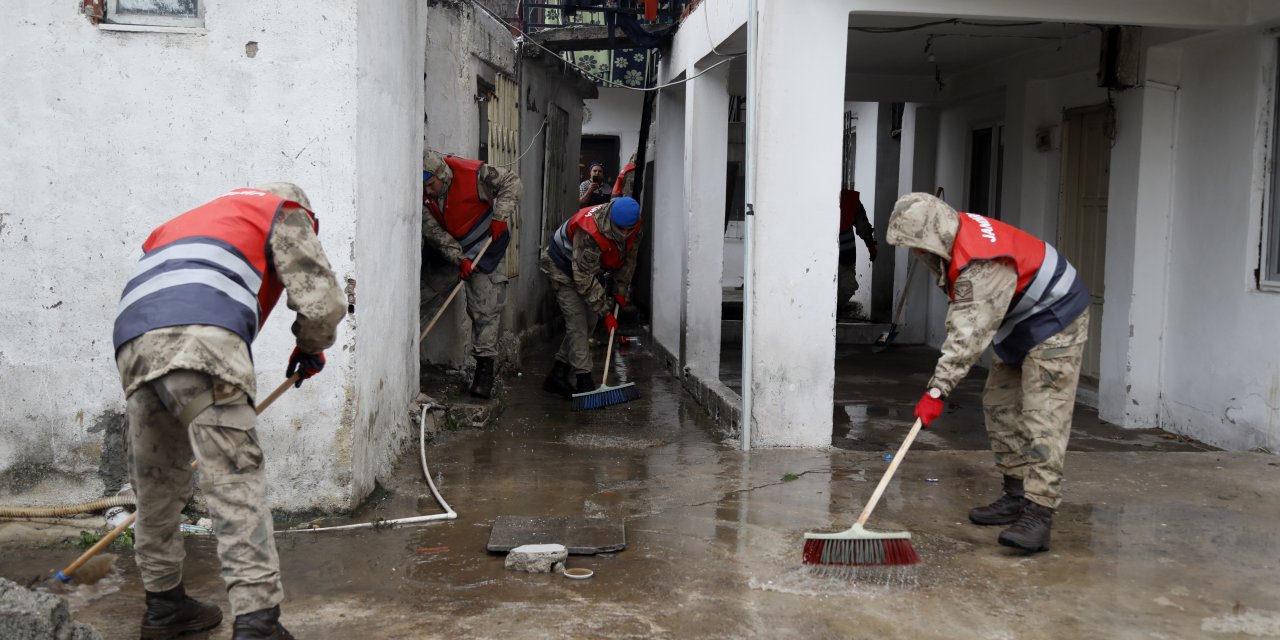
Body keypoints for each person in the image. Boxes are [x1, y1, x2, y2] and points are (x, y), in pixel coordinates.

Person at [113, 183, 346, 639]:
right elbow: (324, 302)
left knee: (157, 484)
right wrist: (311, 346)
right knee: (234, 481)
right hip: (204, 341)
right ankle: (259, 622)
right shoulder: (283, 210)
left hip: (135, 343)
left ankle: (164, 608)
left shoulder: (188, 221)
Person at [884, 192, 1090, 553]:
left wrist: (937, 392)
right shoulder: (953, 236)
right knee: (999, 403)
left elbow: (967, 336)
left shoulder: (982, 262)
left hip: (1057, 317)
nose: (917, 254)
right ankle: (1015, 494)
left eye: (918, 246)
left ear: (934, 234)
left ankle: (1039, 513)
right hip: (1019, 319)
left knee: (1044, 415)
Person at [421, 150, 521, 399]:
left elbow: (512, 182)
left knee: (485, 309)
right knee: (423, 297)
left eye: (431, 185)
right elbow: (432, 230)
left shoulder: (474, 174)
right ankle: (407, 355)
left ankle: (483, 374)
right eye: (424, 187)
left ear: (442, 175)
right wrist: (459, 258)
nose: (429, 191)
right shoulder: (421, 195)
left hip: (486, 247)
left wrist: (500, 217)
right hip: (450, 250)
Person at [538, 197, 642, 397]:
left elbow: (629, 257)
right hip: (562, 266)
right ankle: (584, 381)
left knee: (589, 322)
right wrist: (606, 312)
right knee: (578, 323)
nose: (626, 234)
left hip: (588, 270)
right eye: (622, 230)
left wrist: (620, 290)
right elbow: (583, 278)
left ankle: (558, 373)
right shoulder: (590, 232)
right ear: (612, 221)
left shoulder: (633, 223)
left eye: (630, 229)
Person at [836, 188, 877, 318]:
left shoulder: (849, 200)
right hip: (820, 256)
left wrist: (871, 247)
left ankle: (834, 312)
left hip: (845, 256)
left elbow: (863, 226)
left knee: (848, 286)